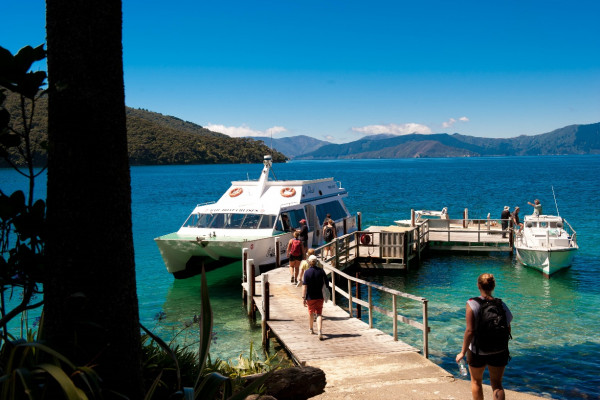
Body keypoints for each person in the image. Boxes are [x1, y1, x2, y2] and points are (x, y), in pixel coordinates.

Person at [456, 273, 513, 400]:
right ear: (493, 286)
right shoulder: (501, 305)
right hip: (499, 350)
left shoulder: (472, 303)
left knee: (476, 382)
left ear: (478, 285)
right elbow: (508, 327)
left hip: (477, 351)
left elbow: (470, 331)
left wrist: (462, 352)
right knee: (497, 385)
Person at [302, 255, 328, 340]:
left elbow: (304, 286)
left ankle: (311, 329)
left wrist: (303, 297)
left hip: (310, 296)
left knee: (311, 313)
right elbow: (327, 283)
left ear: (309, 262)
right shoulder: (321, 271)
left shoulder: (307, 272)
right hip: (319, 296)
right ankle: (320, 331)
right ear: (316, 262)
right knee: (319, 313)